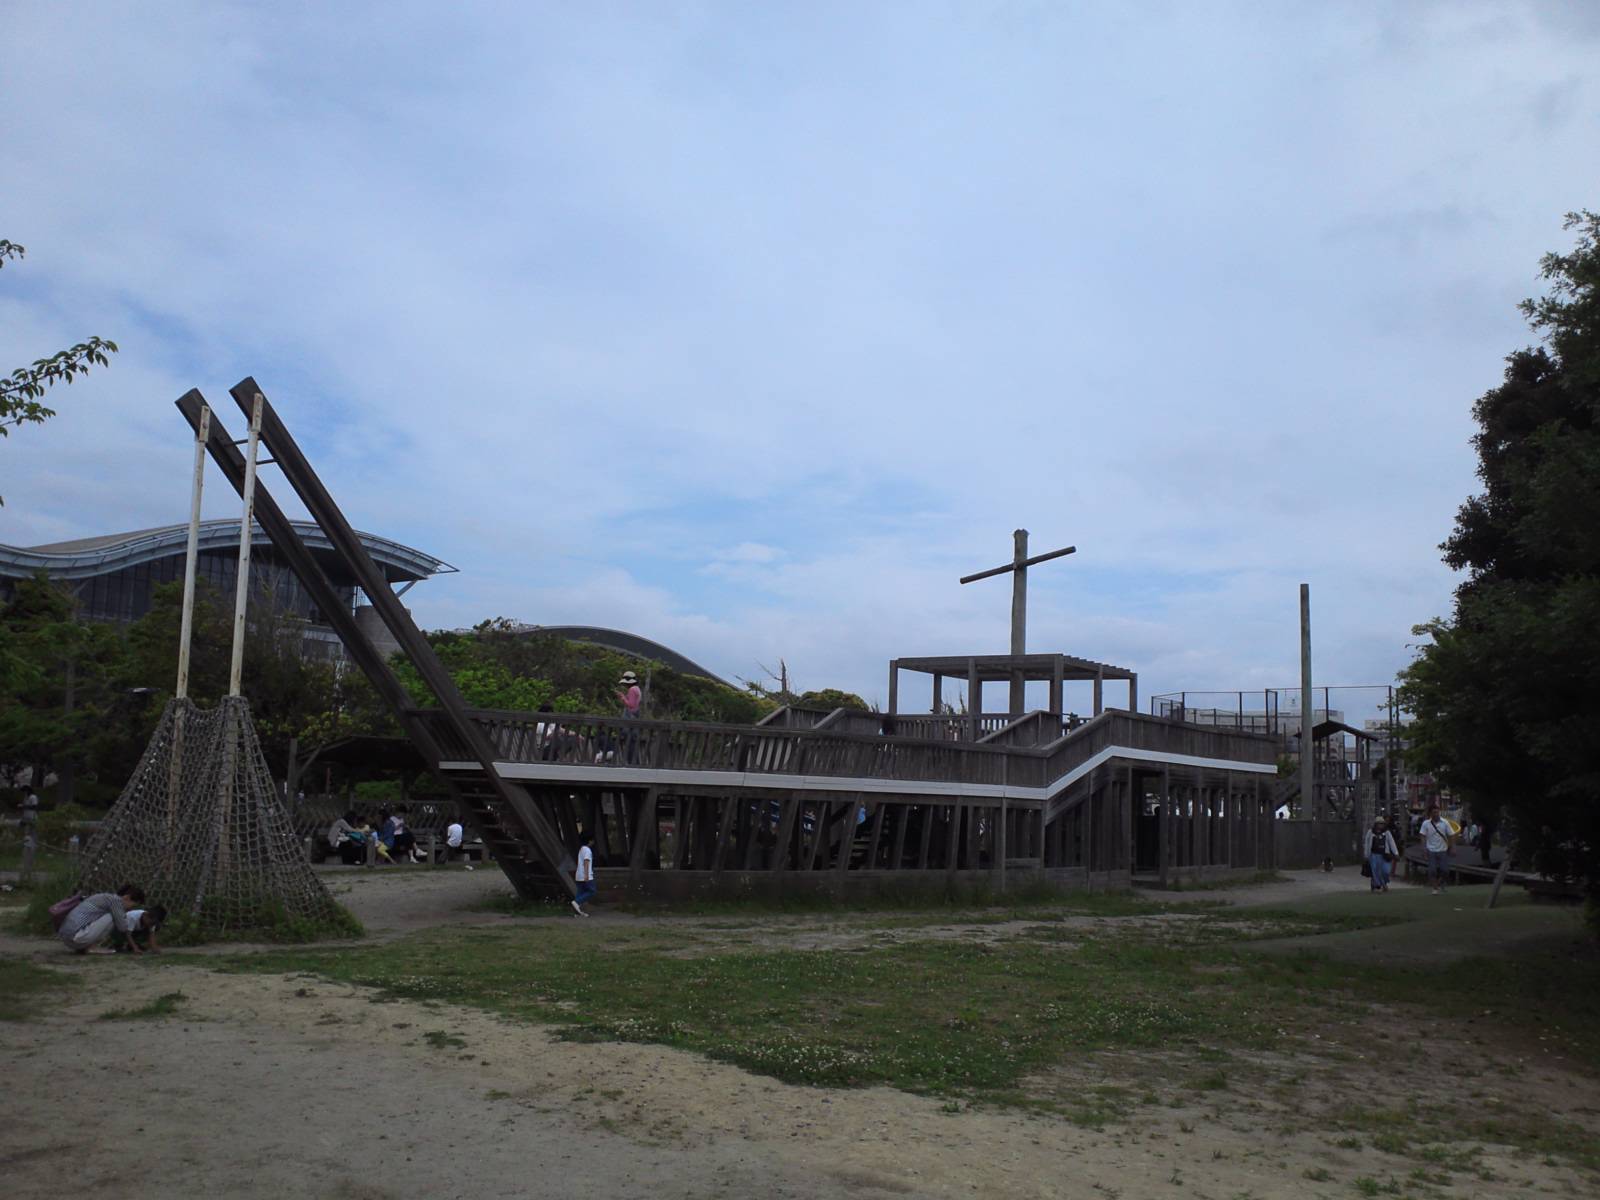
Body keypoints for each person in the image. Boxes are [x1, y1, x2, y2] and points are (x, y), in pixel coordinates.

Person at [57, 884, 144, 954]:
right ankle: (92, 947)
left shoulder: (105, 897)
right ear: (127, 897)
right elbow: (122, 927)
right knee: (112, 917)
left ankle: (86, 947)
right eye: (133, 904)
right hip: (75, 937)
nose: (131, 908)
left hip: (68, 937)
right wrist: (125, 917)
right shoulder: (116, 902)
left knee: (112, 916)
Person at [1420, 802, 1455, 894]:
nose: (1436, 814)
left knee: (1445, 870)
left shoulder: (1445, 822)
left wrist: (1451, 847)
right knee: (1432, 870)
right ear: (1430, 814)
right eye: (1434, 812)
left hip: (1443, 849)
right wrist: (1424, 849)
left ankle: (1439, 883)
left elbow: (1451, 835)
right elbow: (1423, 836)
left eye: (1437, 812)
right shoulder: (1426, 823)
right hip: (1431, 849)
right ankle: (1435, 888)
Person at [1365, 817, 1398, 893]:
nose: (1381, 825)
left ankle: (1384, 883)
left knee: (1385, 871)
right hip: (1374, 854)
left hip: (1385, 854)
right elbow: (1367, 843)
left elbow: (1391, 842)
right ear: (1376, 824)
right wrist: (1366, 855)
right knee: (1375, 871)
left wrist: (1396, 853)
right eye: (1379, 823)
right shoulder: (1371, 832)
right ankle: (1377, 885)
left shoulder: (1387, 832)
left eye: (1382, 823)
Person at [571, 831, 595, 917]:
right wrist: (586, 875)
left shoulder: (581, 849)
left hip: (578, 874)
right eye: (592, 840)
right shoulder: (588, 850)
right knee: (592, 891)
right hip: (586, 874)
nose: (593, 842)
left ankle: (577, 912)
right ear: (589, 841)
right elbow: (586, 862)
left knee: (580, 892)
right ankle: (576, 902)